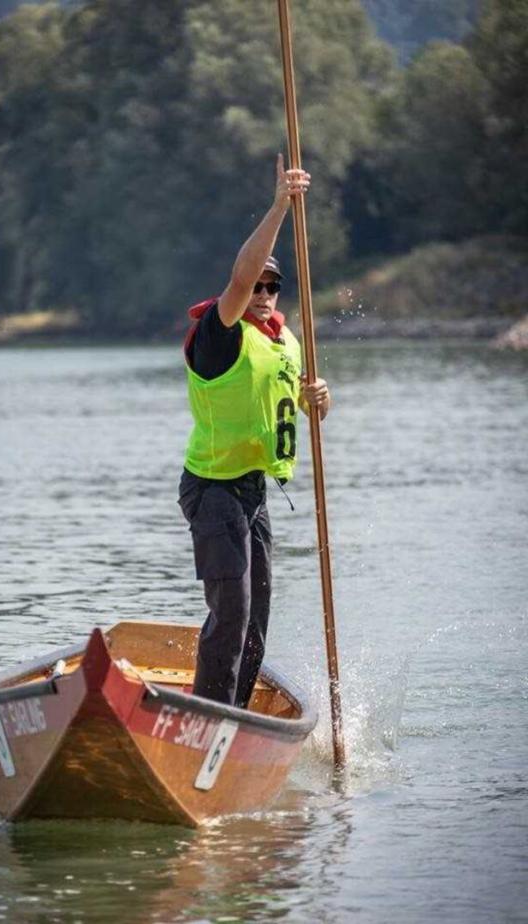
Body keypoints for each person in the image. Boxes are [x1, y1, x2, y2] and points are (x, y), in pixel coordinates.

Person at [179, 154, 330, 709]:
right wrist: (280, 206)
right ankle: (208, 714)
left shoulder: (284, 342)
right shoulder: (220, 335)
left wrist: (321, 400)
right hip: (212, 488)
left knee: (258, 619)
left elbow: (297, 407)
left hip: (252, 492)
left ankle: (237, 716)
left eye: (273, 286)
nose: (263, 293)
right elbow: (242, 275)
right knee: (234, 608)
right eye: (256, 285)